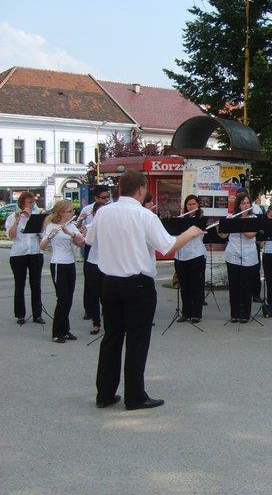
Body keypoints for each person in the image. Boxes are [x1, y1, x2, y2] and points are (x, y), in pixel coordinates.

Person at [86, 169, 203, 410]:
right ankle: (135, 396)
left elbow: (89, 241)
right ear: (141, 190)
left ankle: (105, 394)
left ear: (120, 189)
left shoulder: (103, 212)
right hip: (138, 284)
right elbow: (168, 247)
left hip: (109, 282)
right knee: (137, 340)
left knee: (111, 338)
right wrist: (190, 232)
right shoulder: (144, 215)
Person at [40, 200, 86, 343]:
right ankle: (57, 332)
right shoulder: (51, 226)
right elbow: (42, 246)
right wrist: (50, 235)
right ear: (61, 212)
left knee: (69, 299)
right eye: (70, 211)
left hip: (70, 264)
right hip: (58, 264)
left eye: (73, 211)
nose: (73, 213)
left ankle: (65, 330)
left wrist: (72, 234)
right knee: (62, 299)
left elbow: (81, 242)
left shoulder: (71, 225)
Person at [5, 191, 44, 325]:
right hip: (18, 254)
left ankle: (37, 314)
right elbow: (11, 236)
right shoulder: (12, 217)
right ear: (22, 204)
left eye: (33, 202)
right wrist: (17, 220)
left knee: (36, 284)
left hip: (35, 252)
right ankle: (20, 314)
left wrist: (36, 224)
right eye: (29, 202)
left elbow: (43, 235)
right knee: (20, 284)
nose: (32, 205)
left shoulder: (37, 216)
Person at [222, 192, 259, 323]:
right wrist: (220, 227)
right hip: (232, 255)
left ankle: (245, 314)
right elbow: (223, 236)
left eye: (248, 203)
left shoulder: (253, 217)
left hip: (248, 256)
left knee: (246, 286)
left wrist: (238, 224)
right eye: (243, 203)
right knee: (234, 286)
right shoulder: (231, 217)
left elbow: (251, 235)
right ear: (238, 205)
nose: (246, 205)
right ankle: (234, 314)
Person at [78, 185, 111, 320]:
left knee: (105, 280)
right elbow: (80, 227)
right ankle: (89, 309)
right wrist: (81, 223)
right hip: (90, 246)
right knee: (90, 280)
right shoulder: (87, 209)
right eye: (103, 197)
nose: (106, 200)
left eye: (108, 197)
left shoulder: (110, 207)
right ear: (96, 198)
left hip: (105, 247)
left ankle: (106, 308)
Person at [174, 195, 207, 324]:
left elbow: (199, 234)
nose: (191, 206)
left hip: (196, 255)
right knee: (184, 286)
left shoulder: (201, 220)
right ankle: (186, 313)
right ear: (185, 206)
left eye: (193, 204)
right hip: (181, 256)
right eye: (189, 204)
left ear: (198, 205)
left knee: (196, 286)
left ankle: (196, 314)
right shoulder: (181, 219)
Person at [83, 202, 106, 335]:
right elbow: (88, 241)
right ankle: (96, 323)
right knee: (94, 294)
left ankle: (110, 322)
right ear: (95, 214)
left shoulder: (112, 226)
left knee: (107, 295)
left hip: (107, 263)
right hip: (93, 263)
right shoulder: (90, 226)